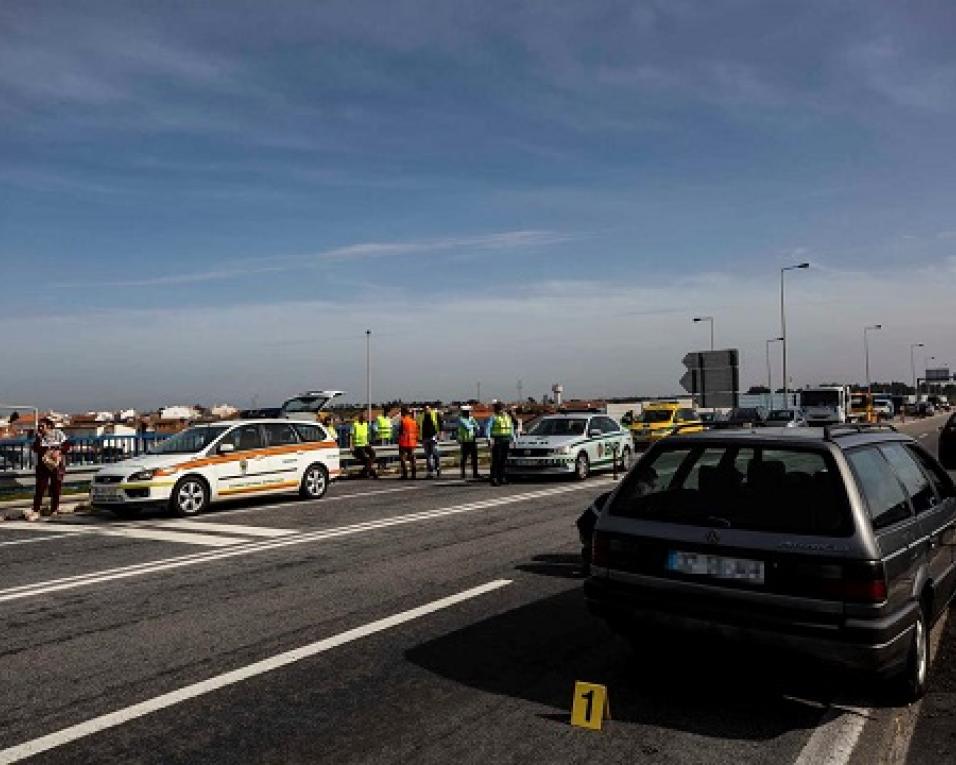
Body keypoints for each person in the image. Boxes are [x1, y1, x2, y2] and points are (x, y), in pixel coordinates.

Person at [27, 416, 71, 521]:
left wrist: (59, 451)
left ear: (49, 426)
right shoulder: (39, 437)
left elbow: (67, 445)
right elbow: (35, 448)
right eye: (39, 426)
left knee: (56, 487)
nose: (40, 428)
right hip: (42, 465)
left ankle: (54, 509)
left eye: (42, 426)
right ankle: (36, 510)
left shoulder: (58, 434)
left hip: (56, 464)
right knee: (40, 488)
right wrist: (40, 440)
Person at [485, 401, 514, 486]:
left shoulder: (507, 417)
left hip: (506, 439)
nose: (502, 410)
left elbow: (511, 428)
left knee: (503, 460)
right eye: (500, 408)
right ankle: (494, 478)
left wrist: (513, 439)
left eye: (502, 408)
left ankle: (502, 477)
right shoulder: (493, 417)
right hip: (497, 439)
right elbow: (488, 429)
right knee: (496, 460)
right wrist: (489, 439)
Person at [417, 403, 443, 478]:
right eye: (425, 409)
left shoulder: (435, 414)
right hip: (425, 438)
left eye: (427, 408)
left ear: (430, 409)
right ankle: (430, 472)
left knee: (435, 453)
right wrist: (419, 438)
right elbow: (418, 427)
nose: (426, 410)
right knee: (428, 456)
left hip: (433, 437)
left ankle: (437, 468)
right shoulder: (421, 416)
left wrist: (440, 434)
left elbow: (440, 424)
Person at [349, 412, 377, 478]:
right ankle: (371, 472)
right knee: (366, 459)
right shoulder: (355, 424)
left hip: (365, 444)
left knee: (373, 454)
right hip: (358, 445)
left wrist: (368, 442)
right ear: (361, 417)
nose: (365, 419)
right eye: (364, 417)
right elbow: (351, 435)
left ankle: (364, 472)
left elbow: (366, 434)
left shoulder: (365, 424)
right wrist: (351, 445)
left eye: (366, 418)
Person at [457, 406, 480, 480]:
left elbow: (478, 427)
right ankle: (463, 473)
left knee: (474, 458)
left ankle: (475, 473)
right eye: (469, 412)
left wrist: (473, 425)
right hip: (465, 441)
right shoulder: (461, 419)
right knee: (464, 458)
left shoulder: (471, 418)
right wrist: (473, 425)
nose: (470, 413)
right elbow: (467, 427)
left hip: (472, 440)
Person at [397, 406, 418, 480]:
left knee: (403, 458)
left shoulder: (403, 420)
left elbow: (400, 431)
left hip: (404, 441)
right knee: (412, 458)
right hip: (412, 441)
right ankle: (414, 474)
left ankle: (405, 474)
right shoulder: (413, 421)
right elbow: (416, 431)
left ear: (403, 412)